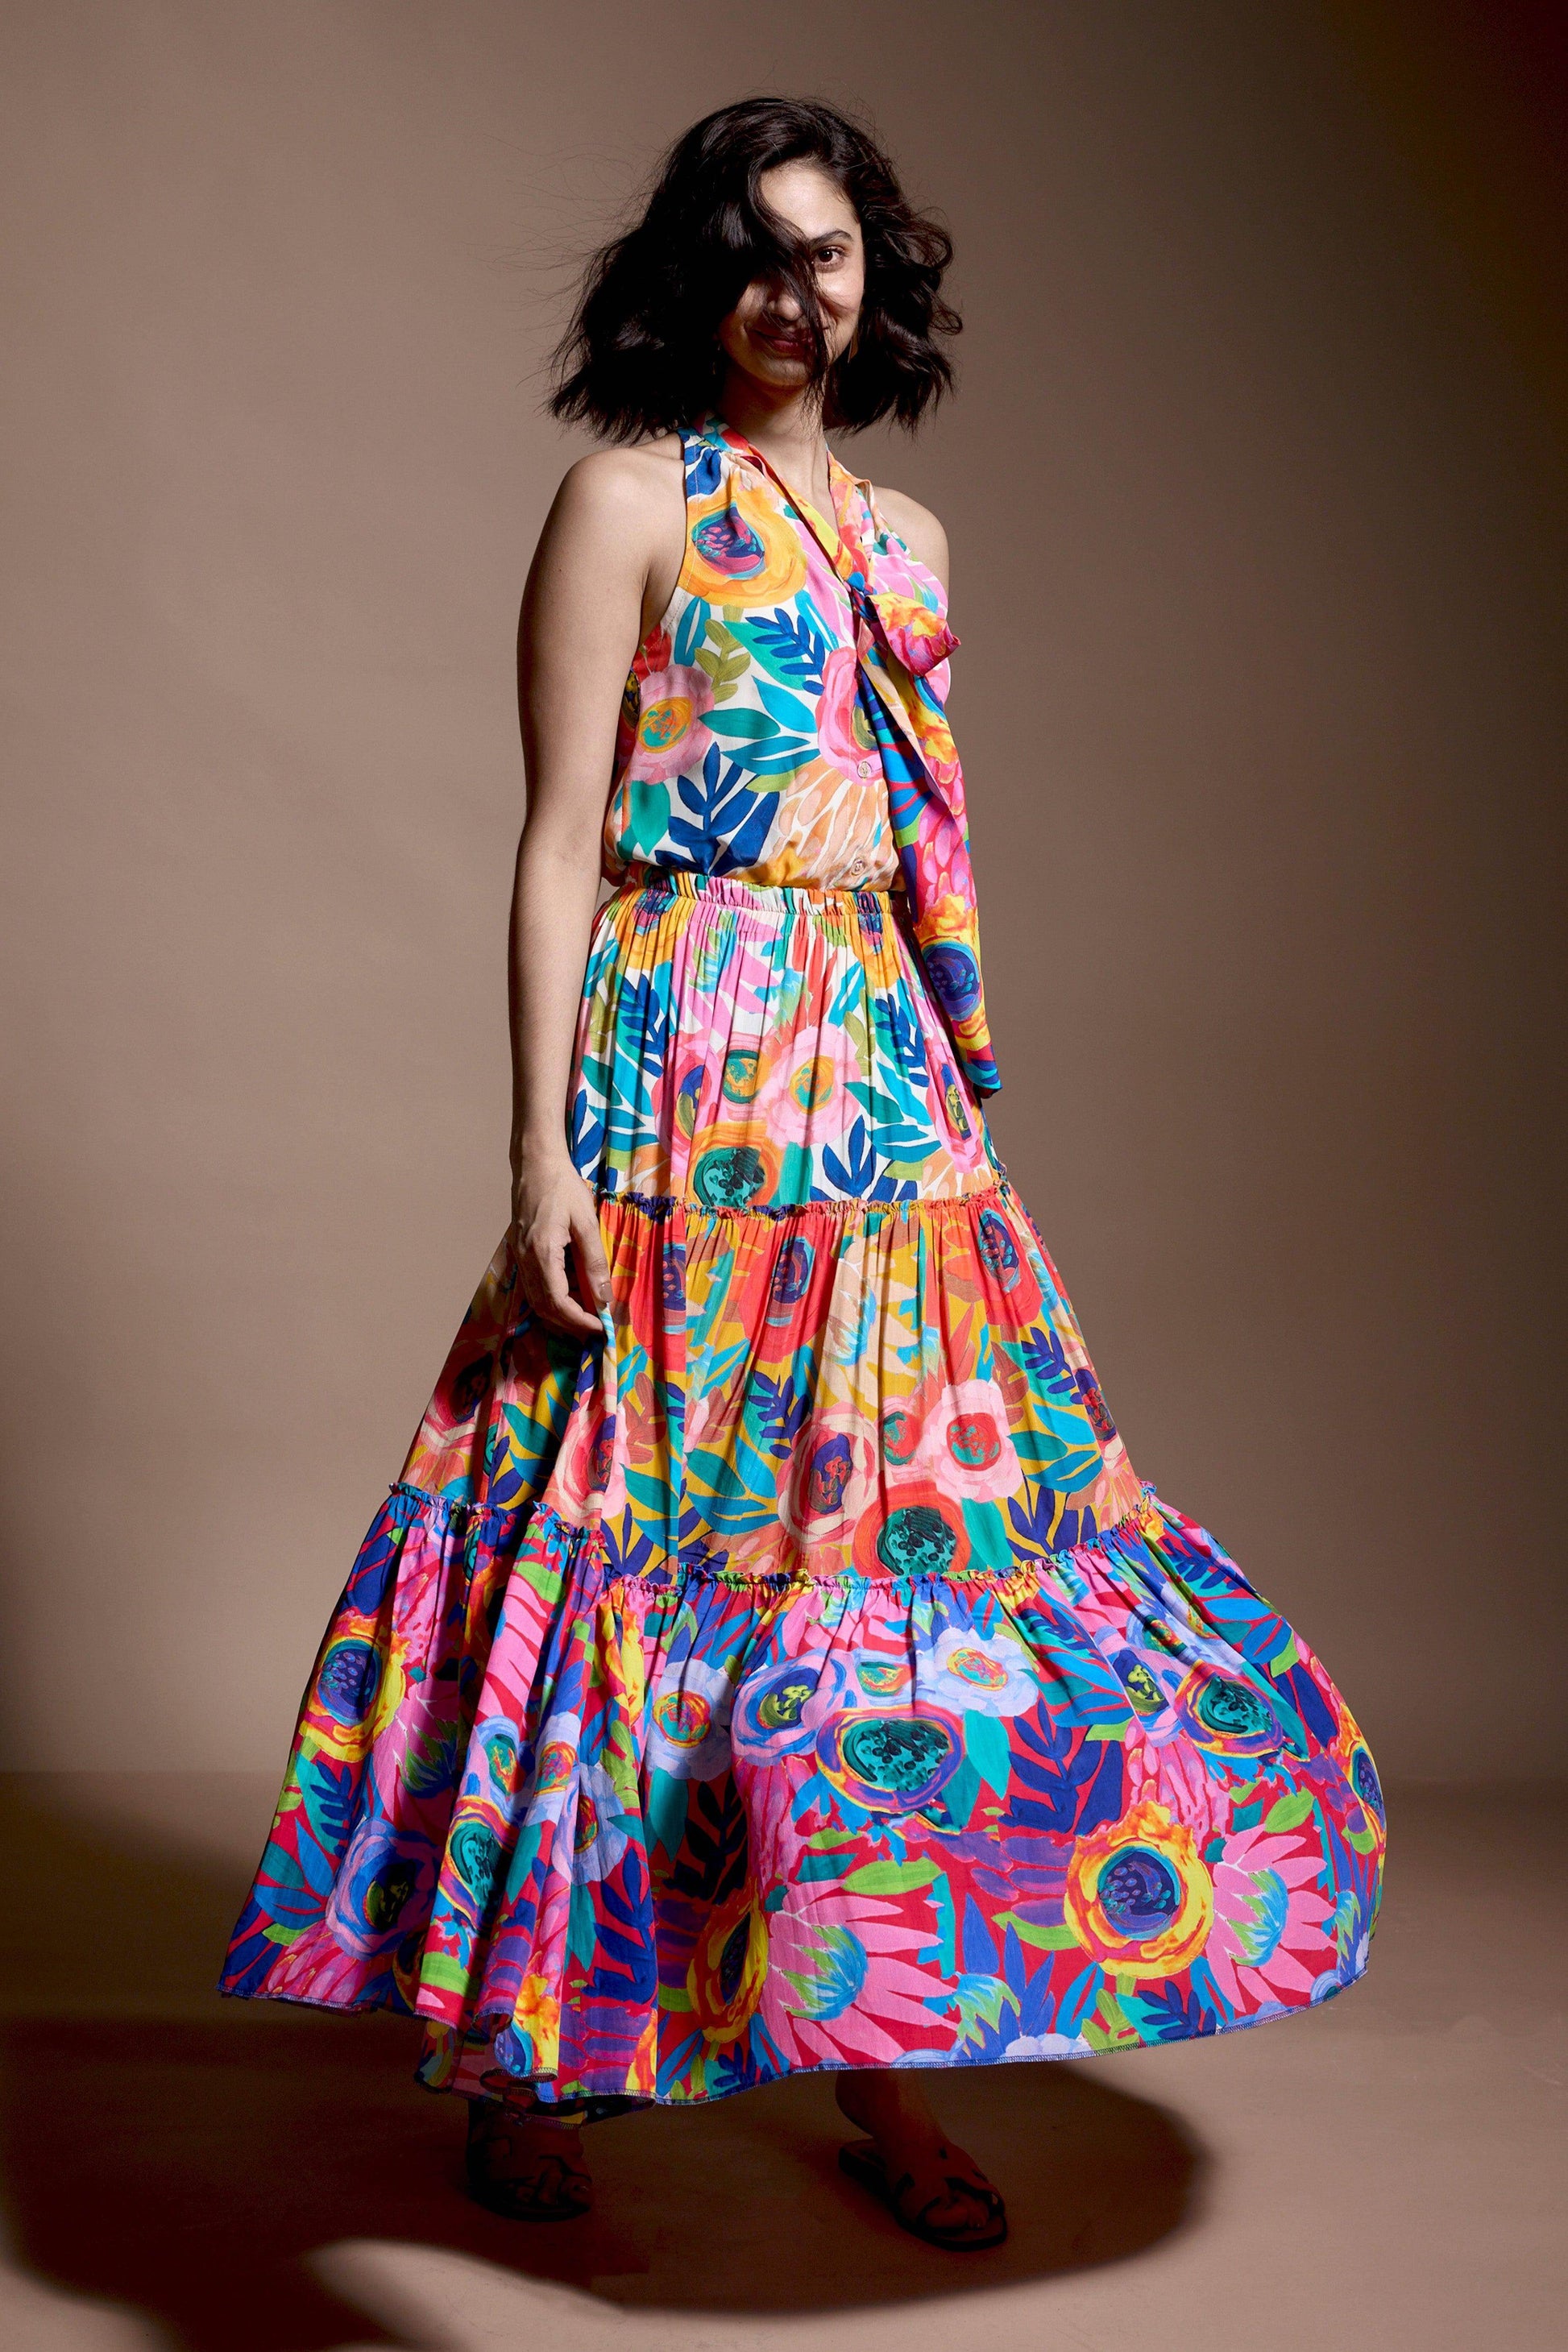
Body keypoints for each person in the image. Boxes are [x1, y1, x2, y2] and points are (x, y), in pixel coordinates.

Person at [221, 96, 1385, 2251]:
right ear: (697, 278)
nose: (795, 291)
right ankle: (539, 2057)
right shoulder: (625, 499)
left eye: (829, 253)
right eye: (756, 252)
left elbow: (906, 843)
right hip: (679, 1075)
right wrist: (538, 1152)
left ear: (875, 279)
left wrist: (939, 1107)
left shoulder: (910, 541)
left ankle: (878, 2054)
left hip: (872, 1088)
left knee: (879, 1564)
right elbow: (555, 842)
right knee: (629, 1534)